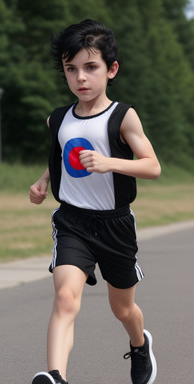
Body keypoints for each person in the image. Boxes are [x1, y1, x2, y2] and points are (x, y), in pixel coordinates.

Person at [29, 19, 160, 384]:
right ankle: (56, 377)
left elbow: (152, 166)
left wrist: (110, 163)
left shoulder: (122, 116)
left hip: (115, 225)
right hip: (73, 222)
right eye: (71, 69)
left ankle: (139, 343)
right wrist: (42, 182)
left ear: (111, 69)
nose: (80, 78)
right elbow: (63, 160)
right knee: (66, 297)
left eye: (91, 67)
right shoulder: (58, 120)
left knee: (122, 308)